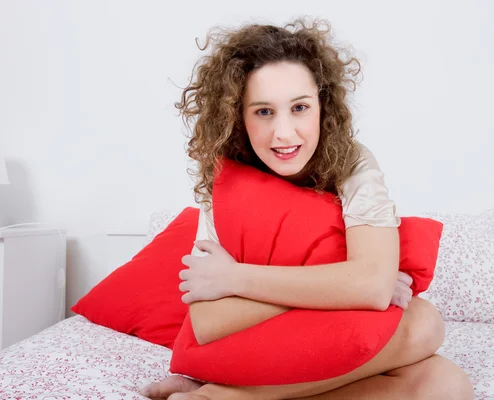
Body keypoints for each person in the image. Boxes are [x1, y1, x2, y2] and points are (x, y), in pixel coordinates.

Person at [141, 18, 473, 400]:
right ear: (237, 116)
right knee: (421, 323)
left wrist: (235, 279)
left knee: (446, 383)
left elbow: (373, 287)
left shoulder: (353, 164)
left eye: (299, 107)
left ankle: (227, 394)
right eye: (263, 112)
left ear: (322, 105)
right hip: (245, 347)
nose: (284, 133)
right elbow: (211, 320)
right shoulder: (227, 180)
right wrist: (344, 287)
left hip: (321, 344)